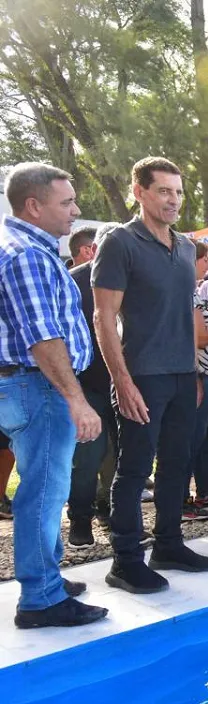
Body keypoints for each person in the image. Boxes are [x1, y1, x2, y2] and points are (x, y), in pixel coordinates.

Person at [93, 157, 208, 594]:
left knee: (176, 466)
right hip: (142, 376)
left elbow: (184, 314)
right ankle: (125, 561)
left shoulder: (185, 247)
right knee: (133, 471)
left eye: (178, 192)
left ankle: (168, 544)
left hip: (184, 376)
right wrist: (122, 382)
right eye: (164, 190)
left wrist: (195, 375)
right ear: (139, 191)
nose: (173, 199)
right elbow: (104, 317)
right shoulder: (119, 243)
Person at [0, 163, 107, 627]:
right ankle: (41, 599)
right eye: (66, 202)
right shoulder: (26, 255)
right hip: (37, 384)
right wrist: (76, 398)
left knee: (45, 487)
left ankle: (48, 578)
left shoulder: (26, 248)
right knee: (43, 492)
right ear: (33, 206)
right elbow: (42, 338)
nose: (76, 210)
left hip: (30, 383)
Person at [66, 226, 117, 549]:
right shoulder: (74, 280)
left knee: (121, 458)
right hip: (88, 382)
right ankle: (80, 520)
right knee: (88, 456)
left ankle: (111, 513)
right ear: (94, 249)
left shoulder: (134, 277)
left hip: (129, 382)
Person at [184, 240, 208, 522]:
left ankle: (204, 491)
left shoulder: (197, 293)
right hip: (197, 372)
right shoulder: (188, 295)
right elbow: (199, 338)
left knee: (205, 437)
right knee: (192, 438)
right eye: (204, 259)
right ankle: (182, 499)